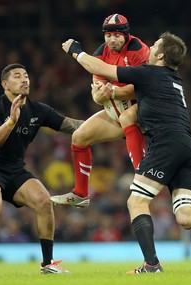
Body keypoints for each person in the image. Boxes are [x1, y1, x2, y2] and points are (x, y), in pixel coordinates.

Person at [61, 32, 191, 273]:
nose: (149, 48)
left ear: (160, 55)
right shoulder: (173, 79)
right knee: (187, 218)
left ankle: (151, 265)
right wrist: (107, 93)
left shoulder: (150, 73)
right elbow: (123, 93)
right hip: (189, 149)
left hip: (167, 144)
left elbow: (102, 67)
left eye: (154, 46)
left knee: (136, 201)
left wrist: (76, 51)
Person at [0, 63, 83, 277]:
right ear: (5, 84)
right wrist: (11, 122)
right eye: (18, 76)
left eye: (26, 76)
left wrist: (106, 124)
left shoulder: (38, 110)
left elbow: (72, 125)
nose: (25, 80)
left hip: (15, 170)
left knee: (43, 201)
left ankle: (47, 264)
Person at [50, 14, 149, 207]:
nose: (112, 40)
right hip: (115, 112)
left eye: (117, 35)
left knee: (128, 116)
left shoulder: (138, 50)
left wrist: (111, 92)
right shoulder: (100, 54)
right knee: (79, 137)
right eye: (108, 35)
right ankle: (80, 193)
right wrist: (102, 95)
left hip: (142, 107)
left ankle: (143, 178)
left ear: (126, 35)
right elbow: (96, 96)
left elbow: (143, 87)